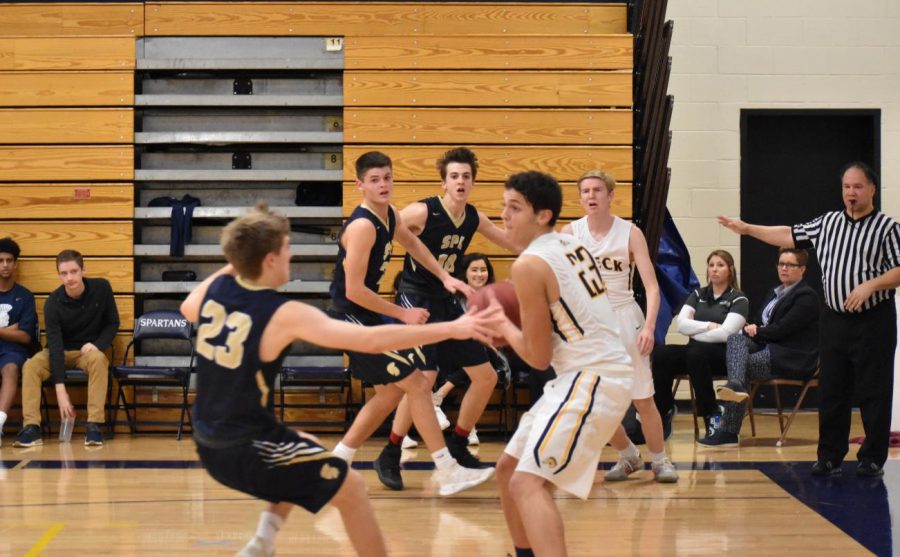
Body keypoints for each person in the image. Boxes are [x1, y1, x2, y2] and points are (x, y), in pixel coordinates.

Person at [180, 205, 502, 557]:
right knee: (350, 488)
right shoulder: (283, 313)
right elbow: (370, 341)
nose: (291, 255)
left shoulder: (217, 290)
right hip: (242, 446)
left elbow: (187, 307)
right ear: (270, 259)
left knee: (304, 441)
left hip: (208, 436)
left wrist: (242, 253)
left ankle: (261, 544)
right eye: (286, 249)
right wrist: (454, 328)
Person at [327, 151, 495, 495]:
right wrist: (402, 313)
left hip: (366, 314)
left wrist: (445, 277)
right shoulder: (361, 226)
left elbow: (414, 244)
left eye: (387, 177)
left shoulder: (389, 215)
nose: (383, 184)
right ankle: (448, 469)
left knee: (390, 393)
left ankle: (337, 462)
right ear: (360, 185)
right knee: (418, 383)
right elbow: (354, 291)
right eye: (375, 180)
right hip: (351, 315)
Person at [719, 161, 900, 476]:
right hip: (835, 320)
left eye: (858, 187)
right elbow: (788, 234)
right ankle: (829, 455)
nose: (851, 193)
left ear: (872, 189)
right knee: (832, 388)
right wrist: (747, 229)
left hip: (874, 319)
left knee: (874, 390)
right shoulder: (828, 223)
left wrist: (871, 284)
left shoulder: (886, 227)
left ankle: (872, 458)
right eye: (846, 187)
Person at [494, 170, 634, 557]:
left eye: (514, 208)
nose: (503, 216)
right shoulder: (571, 244)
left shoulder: (528, 265)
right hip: (583, 374)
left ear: (543, 215)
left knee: (528, 483)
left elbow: (537, 357)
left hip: (593, 377)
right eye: (504, 206)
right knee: (508, 471)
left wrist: (500, 323)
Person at [374, 147, 518, 489]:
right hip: (416, 297)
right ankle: (391, 452)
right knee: (421, 380)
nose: (460, 181)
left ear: (473, 182)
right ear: (444, 182)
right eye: (454, 176)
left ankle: (458, 440)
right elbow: (385, 224)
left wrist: (552, 248)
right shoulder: (423, 210)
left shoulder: (473, 218)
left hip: (447, 299)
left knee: (485, 376)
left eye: (466, 176)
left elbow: (512, 243)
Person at [560, 170, 678, 483]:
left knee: (642, 398)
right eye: (585, 191)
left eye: (597, 190)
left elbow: (652, 288)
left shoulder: (630, 233)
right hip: (590, 324)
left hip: (625, 316)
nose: (591, 196)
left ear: (611, 196)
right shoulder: (570, 233)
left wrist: (650, 327)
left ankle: (660, 460)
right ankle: (628, 456)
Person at [699, 247, 819, 447]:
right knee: (735, 340)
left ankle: (728, 431)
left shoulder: (806, 297)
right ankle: (735, 386)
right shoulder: (774, 292)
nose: (784, 268)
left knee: (741, 365)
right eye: (781, 264)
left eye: (790, 265)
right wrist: (752, 329)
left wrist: (756, 330)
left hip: (793, 357)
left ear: (802, 269)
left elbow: (782, 329)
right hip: (770, 348)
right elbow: (759, 322)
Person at [15, 249, 119, 448]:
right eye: (64, 273)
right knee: (31, 366)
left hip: (86, 352)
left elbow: (112, 323)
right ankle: (31, 427)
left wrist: (97, 345)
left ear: (83, 270)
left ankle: (94, 425)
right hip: (58, 350)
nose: (69, 278)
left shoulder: (102, 288)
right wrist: (60, 390)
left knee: (99, 359)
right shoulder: (52, 302)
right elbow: (54, 344)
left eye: (74, 271)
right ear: (58, 274)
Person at [403, 252, 502, 449]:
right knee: (426, 371)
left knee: (487, 362)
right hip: (448, 350)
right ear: (464, 274)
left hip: (486, 353)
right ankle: (401, 434)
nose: (479, 274)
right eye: (474, 269)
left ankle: (446, 406)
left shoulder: (494, 296)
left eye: (483, 270)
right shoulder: (452, 297)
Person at [651, 250, 749, 441]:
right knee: (662, 353)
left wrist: (694, 330)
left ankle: (711, 413)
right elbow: (681, 325)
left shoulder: (738, 299)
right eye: (711, 265)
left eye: (720, 265)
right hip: (694, 353)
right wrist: (708, 325)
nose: (714, 269)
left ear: (730, 270)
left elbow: (726, 334)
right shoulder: (698, 294)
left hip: (720, 356)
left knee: (695, 353)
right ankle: (664, 410)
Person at [0, 238, 37, 446]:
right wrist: (9, 330)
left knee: (11, 368)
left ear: (15, 264)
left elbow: (25, 336)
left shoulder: (24, 296)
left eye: (9, 260)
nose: (5, 265)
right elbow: (17, 331)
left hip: (14, 351)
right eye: (1, 260)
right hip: (9, 342)